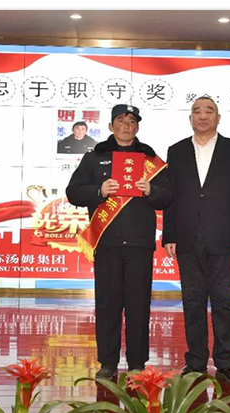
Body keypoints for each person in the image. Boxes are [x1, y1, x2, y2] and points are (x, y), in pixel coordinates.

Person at [66, 104, 171, 380]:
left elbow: (169, 196)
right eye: (121, 121)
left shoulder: (150, 159)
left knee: (139, 306)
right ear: (111, 126)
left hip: (139, 243)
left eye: (132, 121)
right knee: (107, 305)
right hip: (108, 243)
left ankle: (137, 363)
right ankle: (108, 362)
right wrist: (98, 191)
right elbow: (73, 192)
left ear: (137, 127)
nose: (127, 126)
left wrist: (151, 190)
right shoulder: (94, 157)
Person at [162, 96, 230, 384]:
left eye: (209, 111)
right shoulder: (176, 151)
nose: (202, 116)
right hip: (187, 237)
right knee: (192, 302)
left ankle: (226, 363)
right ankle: (196, 361)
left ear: (218, 117)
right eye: (197, 111)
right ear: (190, 118)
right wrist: (169, 235)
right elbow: (171, 197)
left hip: (224, 239)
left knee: (224, 302)